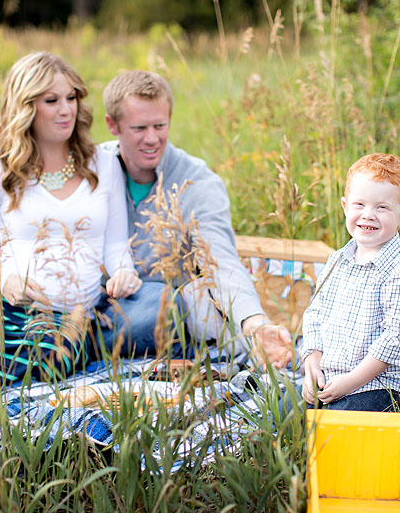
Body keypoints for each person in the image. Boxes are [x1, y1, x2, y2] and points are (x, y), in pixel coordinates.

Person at [0, 51, 140, 385]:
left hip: (69, 316)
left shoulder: (103, 164)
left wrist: (124, 271)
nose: (66, 110)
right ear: (26, 106)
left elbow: (116, 242)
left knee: (50, 364)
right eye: (51, 100)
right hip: (1, 303)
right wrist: (1, 279)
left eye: (71, 97)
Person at [97, 70, 293, 368]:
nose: (152, 138)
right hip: (91, 301)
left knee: (166, 306)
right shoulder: (92, 170)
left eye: (160, 126)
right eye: (139, 128)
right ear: (113, 125)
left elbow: (221, 261)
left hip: (156, 310)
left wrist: (254, 323)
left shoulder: (197, 182)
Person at [298, 153, 400, 412]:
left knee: (338, 427)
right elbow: (315, 314)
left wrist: (350, 382)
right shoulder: (337, 261)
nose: (368, 215)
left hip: (379, 386)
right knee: (284, 417)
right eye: (360, 204)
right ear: (345, 206)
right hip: (333, 376)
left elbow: (395, 339)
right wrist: (312, 365)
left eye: (382, 207)